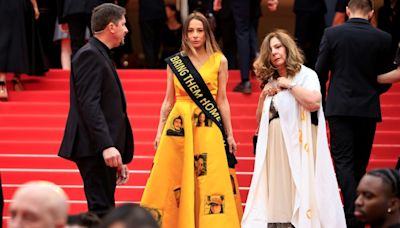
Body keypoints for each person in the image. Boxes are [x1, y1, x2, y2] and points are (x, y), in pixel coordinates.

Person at [141, 12, 242, 228]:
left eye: (200, 31)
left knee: (210, 177)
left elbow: (222, 100)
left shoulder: (219, 60)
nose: (195, 35)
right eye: (190, 31)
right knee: (176, 175)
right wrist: (159, 130)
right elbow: (168, 100)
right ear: (185, 34)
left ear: (207, 33)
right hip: (180, 124)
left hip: (208, 126)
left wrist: (230, 133)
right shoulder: (176, 62)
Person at [242, 29, 346, 228]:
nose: (274, 52)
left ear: (287, 48)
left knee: (297, 184)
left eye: (278, 47)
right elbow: (261, 120)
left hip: (298, 146)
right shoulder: (270, 80)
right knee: (277, 188)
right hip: (274, 146)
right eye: (270, 49)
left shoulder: (306, 74)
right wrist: (263, 96)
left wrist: (289, 86)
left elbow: (315, 102)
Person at [315, 0, 396, 226]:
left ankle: (352, 214)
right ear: (371, 13)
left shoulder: (332, 34)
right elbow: (385, 78)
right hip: (368, 109)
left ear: (348, 11)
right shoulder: (383, 38)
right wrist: (371, 89)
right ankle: (358, 212)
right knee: (360, 163)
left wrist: (321, 103)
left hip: (339, 108)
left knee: (343, 162)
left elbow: (319, 73)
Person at [58, 3, 134, 218]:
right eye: (123, 24)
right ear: (111, 27)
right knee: (102, 211)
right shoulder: (89, 55)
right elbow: (89, 104)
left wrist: (114, 151)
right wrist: (107, 146)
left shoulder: (98, 53)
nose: (126, 29)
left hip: (100, 150)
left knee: (105, 210)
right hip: (94, 149)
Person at [0, 0, 49, 101]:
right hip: (19, 4)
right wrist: (35, 6)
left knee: (3, 39)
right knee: (20, 39)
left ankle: (2, 82)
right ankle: (17, 77)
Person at [160, 4, 182, 68]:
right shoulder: (163, 27)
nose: (164, 12)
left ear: (173, 12)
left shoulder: (182, 28)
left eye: (166, 10)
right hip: (165, 56)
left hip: (178, 58)